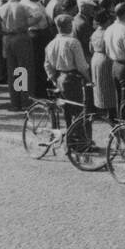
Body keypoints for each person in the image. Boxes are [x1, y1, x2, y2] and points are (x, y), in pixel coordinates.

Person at [43, 14, 92, 150]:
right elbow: (82, 65)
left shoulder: (51, 44)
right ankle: (80, 142)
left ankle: (71, 141)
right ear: (69, 26)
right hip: (73, 78)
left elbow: (47, 65)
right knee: (80, 110)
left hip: (60, 78)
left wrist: (53, 78)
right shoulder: (73, 42)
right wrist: (90, 79)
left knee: (67, 111)